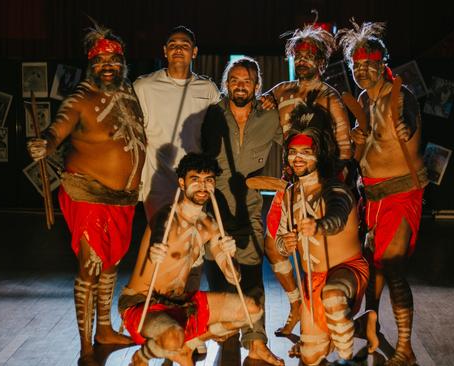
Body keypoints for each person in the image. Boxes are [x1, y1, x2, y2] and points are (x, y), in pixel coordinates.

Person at [26, 23, 145, 366]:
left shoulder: (128, 96)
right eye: (101, 60)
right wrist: (45, 143)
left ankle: (105, 330)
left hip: (123, 200)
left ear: (123, 63)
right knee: (90, 269)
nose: (108, 65)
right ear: (91, 65)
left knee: (111, 265)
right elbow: (57, 128)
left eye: (114, 60)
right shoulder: (81, 97)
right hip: (88, 195)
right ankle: (86, 346)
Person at [338, 20, 428, 365]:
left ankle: (405, 348)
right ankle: (372, 324)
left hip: (402, 194)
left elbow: (409, 119)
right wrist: (358, 146)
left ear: (381, 64)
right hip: (371, 197)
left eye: (368, 65)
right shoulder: (361, 98)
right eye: (356, 66)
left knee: (392, 267)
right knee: (373, 265)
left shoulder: (400, 96)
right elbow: (366, 153)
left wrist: (407, 125)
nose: (361, 71)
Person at [118, 153, 263, 366]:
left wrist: (231, 257)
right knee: (173, 335)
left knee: (252, 310)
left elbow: (233, 277)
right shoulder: (167, 216)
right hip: (144, 305)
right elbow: (160, 232)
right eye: (195, 179)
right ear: (182, 183)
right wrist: (156, 248)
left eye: (209, 180)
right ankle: (143, 356)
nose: (202, 186)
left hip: (183, 303)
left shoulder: (210, 225)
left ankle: (190, 343)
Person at [260, 23, 354, 337]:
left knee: (316, 254)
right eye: (298, 56)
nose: (303, 61)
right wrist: (266, 102)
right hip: (288, 184)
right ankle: (296, 303)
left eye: (310, 56)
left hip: (319, 185)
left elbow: (344, 146)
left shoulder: (330, 97)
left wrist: (327, 187)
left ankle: (321, 321)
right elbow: (262, 108)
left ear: (322, 63)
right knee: (274, 246)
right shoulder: (281, 91)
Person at [201, 56, 284, 365]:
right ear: (226, 84)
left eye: (246, 81)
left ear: (256, 86)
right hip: (214, 205)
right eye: (234, 80)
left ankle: (257, 341)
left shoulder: (269, 118)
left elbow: (293, 144)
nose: (240, 85)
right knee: (217, 272)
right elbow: (199, 154)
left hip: (248, 204)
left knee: (251, 274)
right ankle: (226, 328)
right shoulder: (212, 114)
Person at [276, 98, 368, 365]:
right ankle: (363, 325)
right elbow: (281, 241)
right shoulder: (289, 195)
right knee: (310, 359)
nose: (298, 157)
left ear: (320, 153)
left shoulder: (335, 188)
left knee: (333, 296)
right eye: (293, 151)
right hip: (312, 281)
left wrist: (318, 225)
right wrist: (286, 243)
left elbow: (338, 216)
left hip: (346, 270)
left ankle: (347, 359)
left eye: (306, 151)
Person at [134, 25, 221, 221]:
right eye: (172, 45)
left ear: (195, 52)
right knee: (161, 237)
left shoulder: (207, 89)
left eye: (185, 45)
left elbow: (222, 126)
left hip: (195, 179)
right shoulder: (144, 86)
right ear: (165, 51)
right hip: (157, 179)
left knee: (192, 240)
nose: (178, 49)